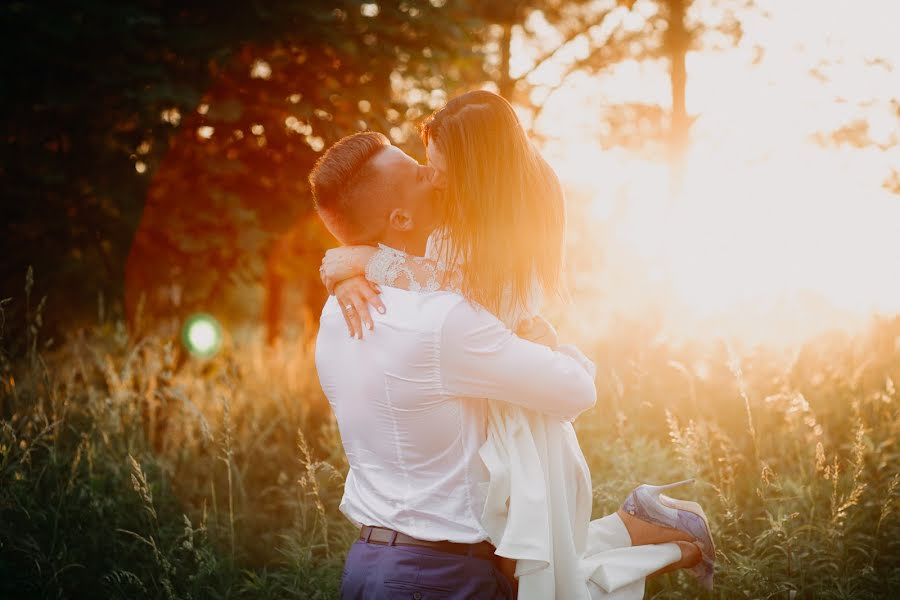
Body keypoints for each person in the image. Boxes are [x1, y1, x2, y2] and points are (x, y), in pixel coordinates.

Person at [318, 91, 715, 599]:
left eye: (434, 168)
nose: (431, 176)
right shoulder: (438, 250)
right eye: (424, 169)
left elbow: (451, 288)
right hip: (479, 393)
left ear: (474, 166)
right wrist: (351, 269)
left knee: (537, 566)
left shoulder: (514, 217)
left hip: (503, 404)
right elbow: (428, 286)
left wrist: (366, 263)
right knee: (535, 559)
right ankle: (647, 528)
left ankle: (653, 534)